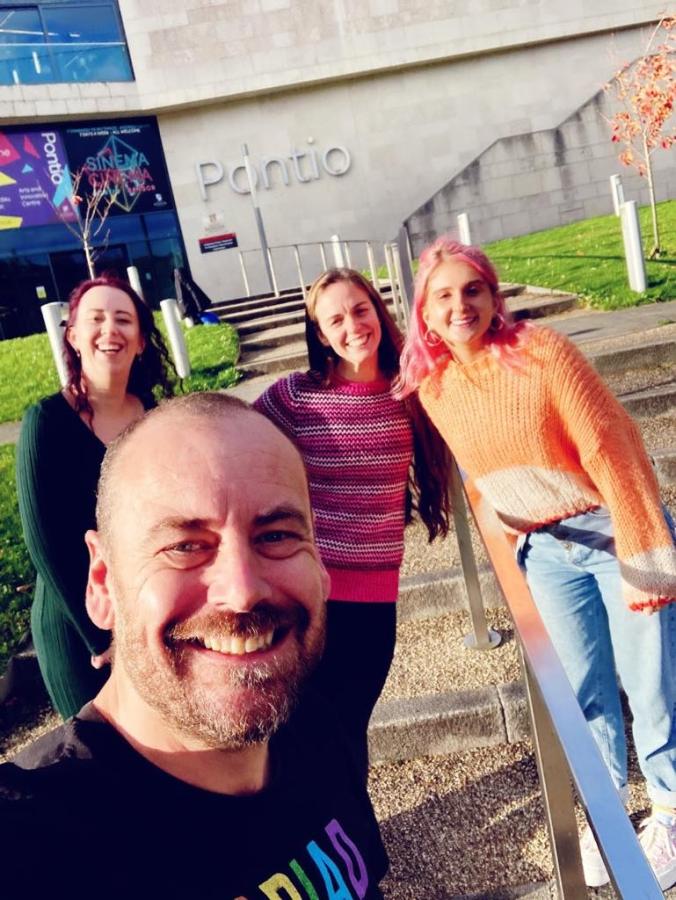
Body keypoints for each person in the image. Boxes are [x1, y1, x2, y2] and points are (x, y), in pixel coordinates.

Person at [0, 393, 389, 898]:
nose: (243, 590)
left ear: (320, 562)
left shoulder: (310, 723)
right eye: (184, 546)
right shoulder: (35, 842)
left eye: (275, 535)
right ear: (101, 583)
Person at [395, 236, 676, 890]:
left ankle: (669, 810)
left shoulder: (542, 354)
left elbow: (615, 450)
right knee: (583, 692)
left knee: (651, 684)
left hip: (609, 530)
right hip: (544, 552)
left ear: (495, 297)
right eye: (444, 296)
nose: (460, 305)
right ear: (425, 313)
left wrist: (646, 553)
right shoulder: (433, 385)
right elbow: (477, 465)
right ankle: (609, 812)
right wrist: (501, 521)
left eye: (473, 290)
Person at [254, 268, 450, 776]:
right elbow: (231, 447)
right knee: (307, 727)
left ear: (378, 311)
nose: (352, 326)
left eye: (360, 310)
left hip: (374, 599)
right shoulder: (296, 397)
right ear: (320, 333)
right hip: (307, 595)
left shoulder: (413, 388)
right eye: (335, 319)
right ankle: (326, 836)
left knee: (350, 723)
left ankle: (350, 839)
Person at [15, 274, 174, 719]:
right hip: (75, 623)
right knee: (99, 757)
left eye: (124, 319)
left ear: (141, 340)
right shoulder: (46, 421)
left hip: (149, 607)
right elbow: (46, 543)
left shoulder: (158, 418)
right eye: (96, 319)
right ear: (74, 336)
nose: (111, 330)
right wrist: (99, 636)